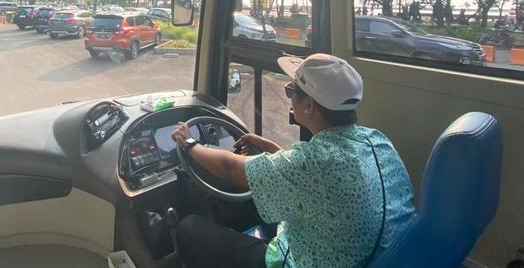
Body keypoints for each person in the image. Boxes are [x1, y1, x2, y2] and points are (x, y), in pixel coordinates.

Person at [171, 53, 415, 268]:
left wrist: (190, 143)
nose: (289, 96)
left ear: (308, 105)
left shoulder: (315, 163)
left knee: (189, 228)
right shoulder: (377, 140)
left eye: (291, 90)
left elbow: (229, 167)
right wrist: (271, 149)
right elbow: (311, 179)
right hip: (369, 256)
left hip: (302, 262)